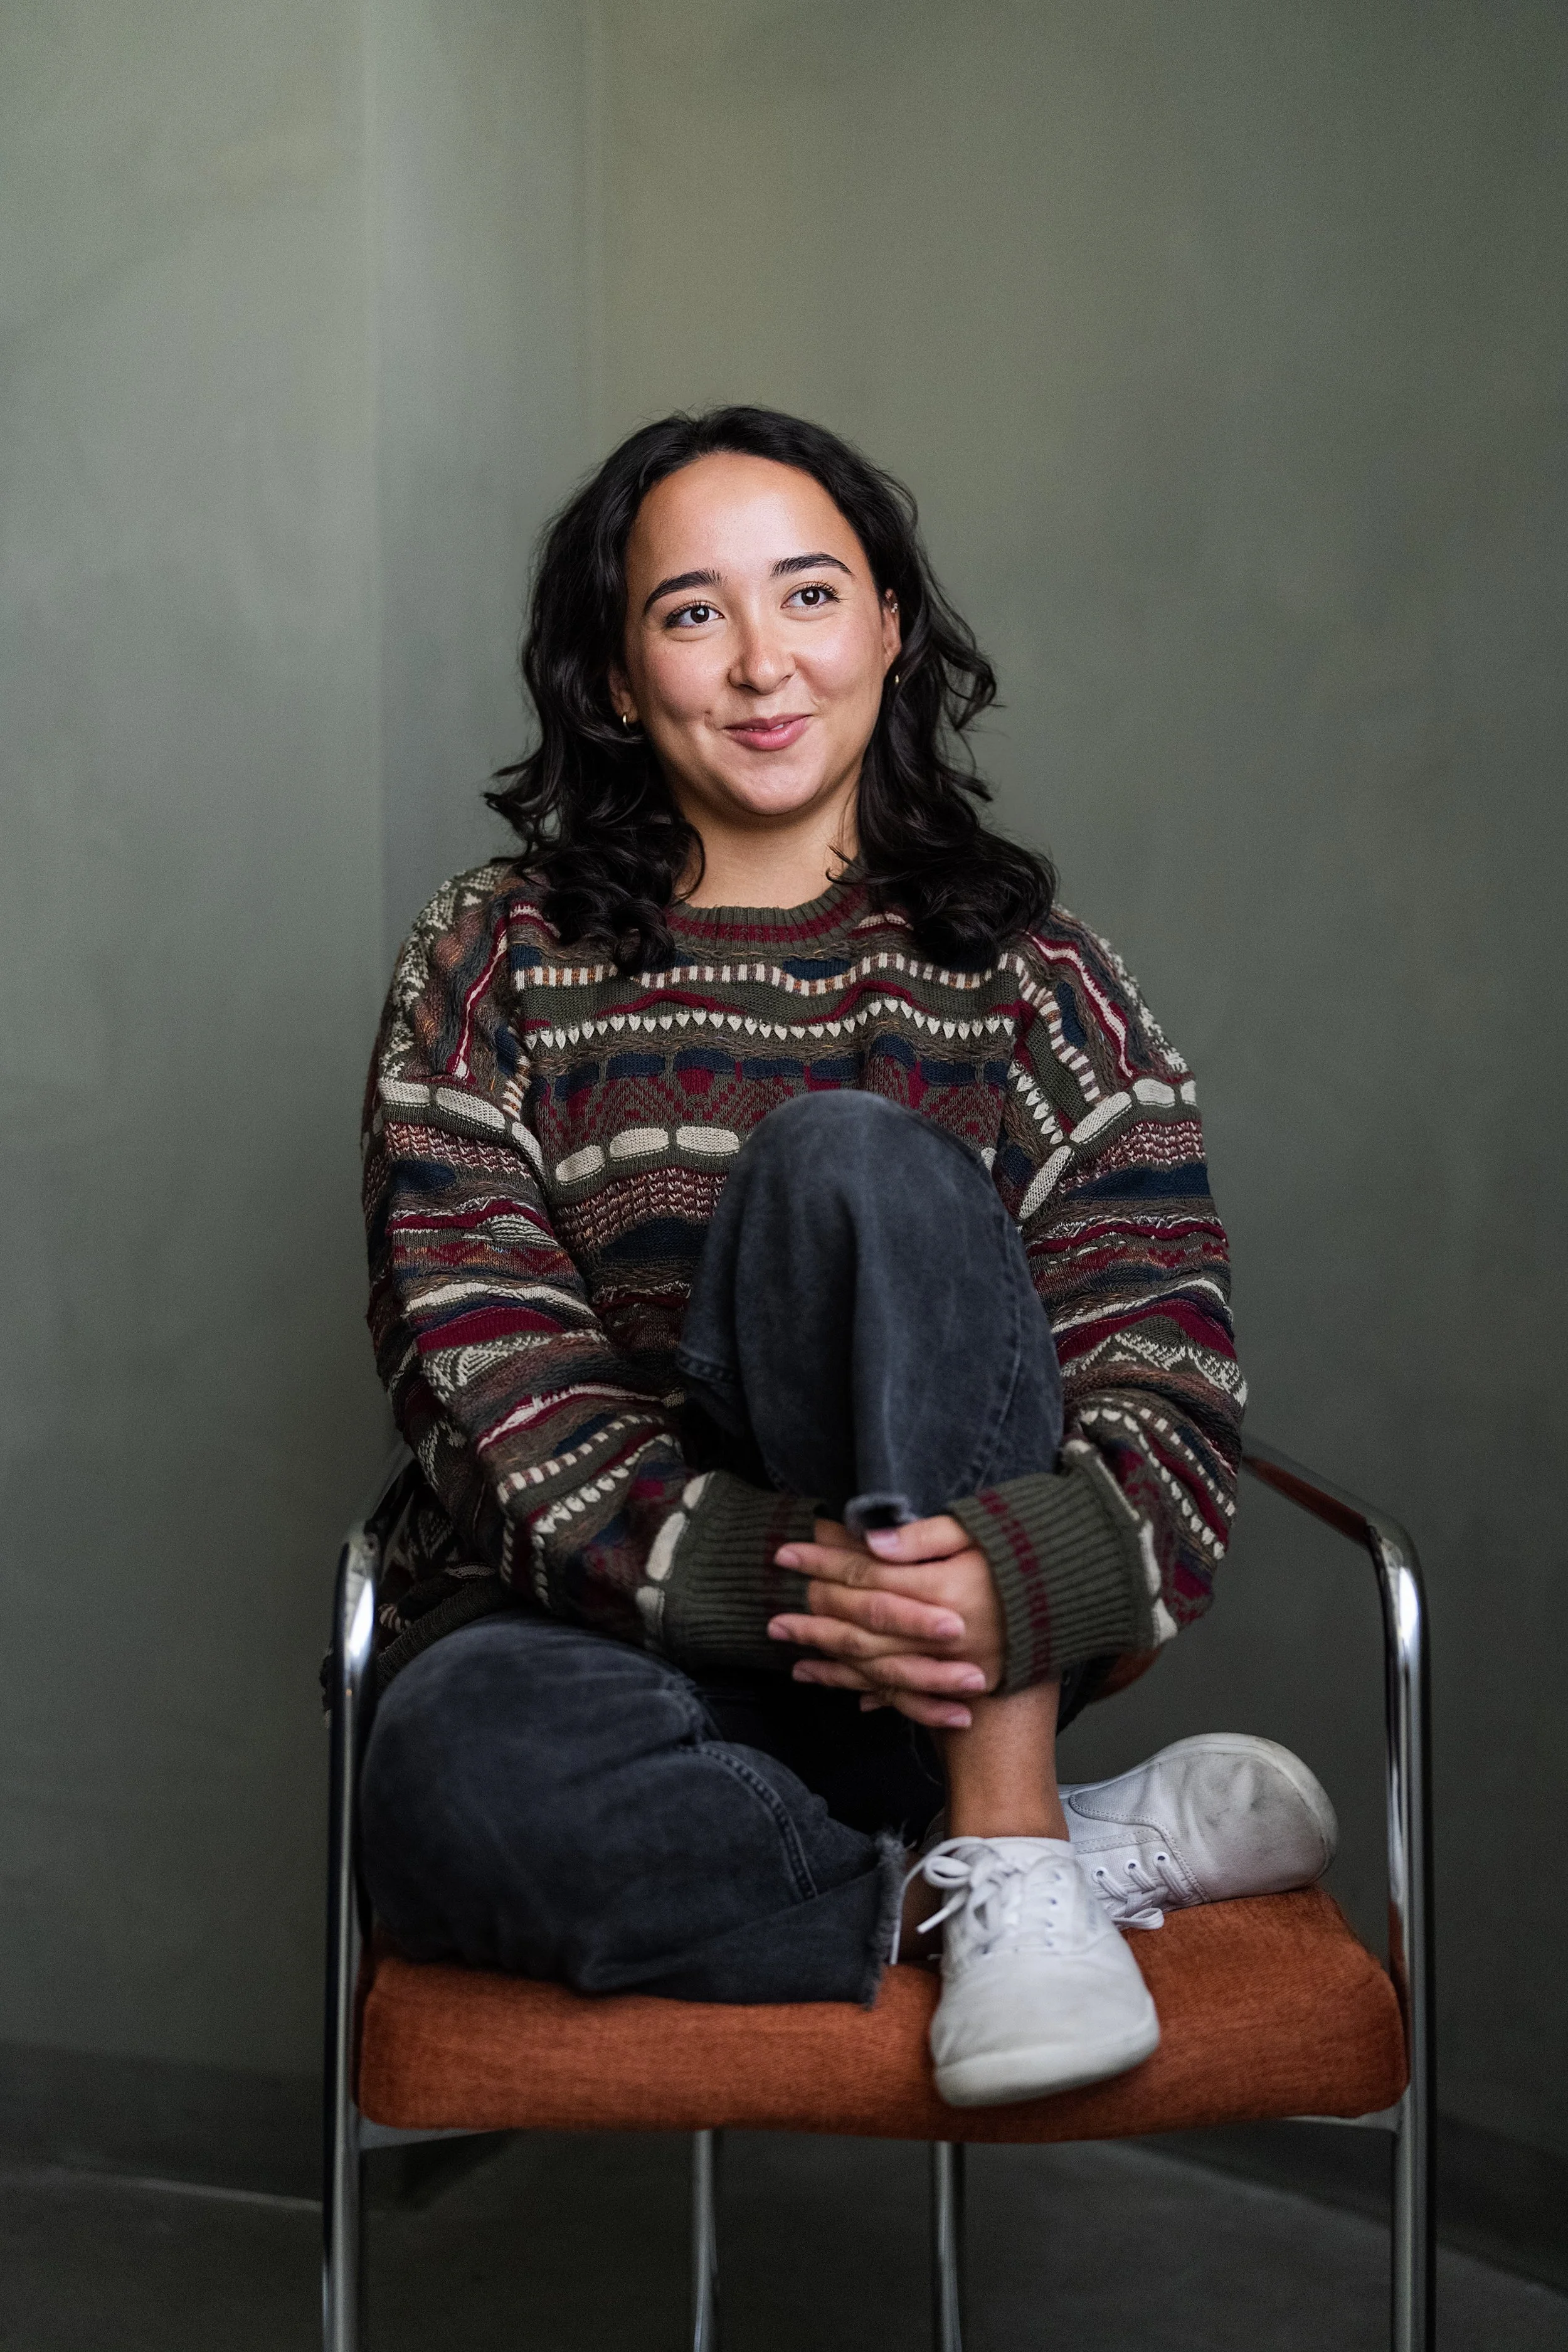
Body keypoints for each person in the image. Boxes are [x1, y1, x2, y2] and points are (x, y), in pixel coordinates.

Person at [356, 406, 1336, 2108]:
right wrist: (799, 1578)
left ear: (888, 627)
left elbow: (1167, 1375)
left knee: (846, 1163)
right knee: (445, 1764)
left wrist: (983, 1588)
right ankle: (1004, 1871)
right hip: (618, 1663)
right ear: (606, 674)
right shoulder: (491, 954)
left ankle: (1003, 1814)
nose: (759, 664)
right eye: (689, 612)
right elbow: (475, 1369)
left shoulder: (1026, 974)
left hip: (955, 1672)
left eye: (809, 596)